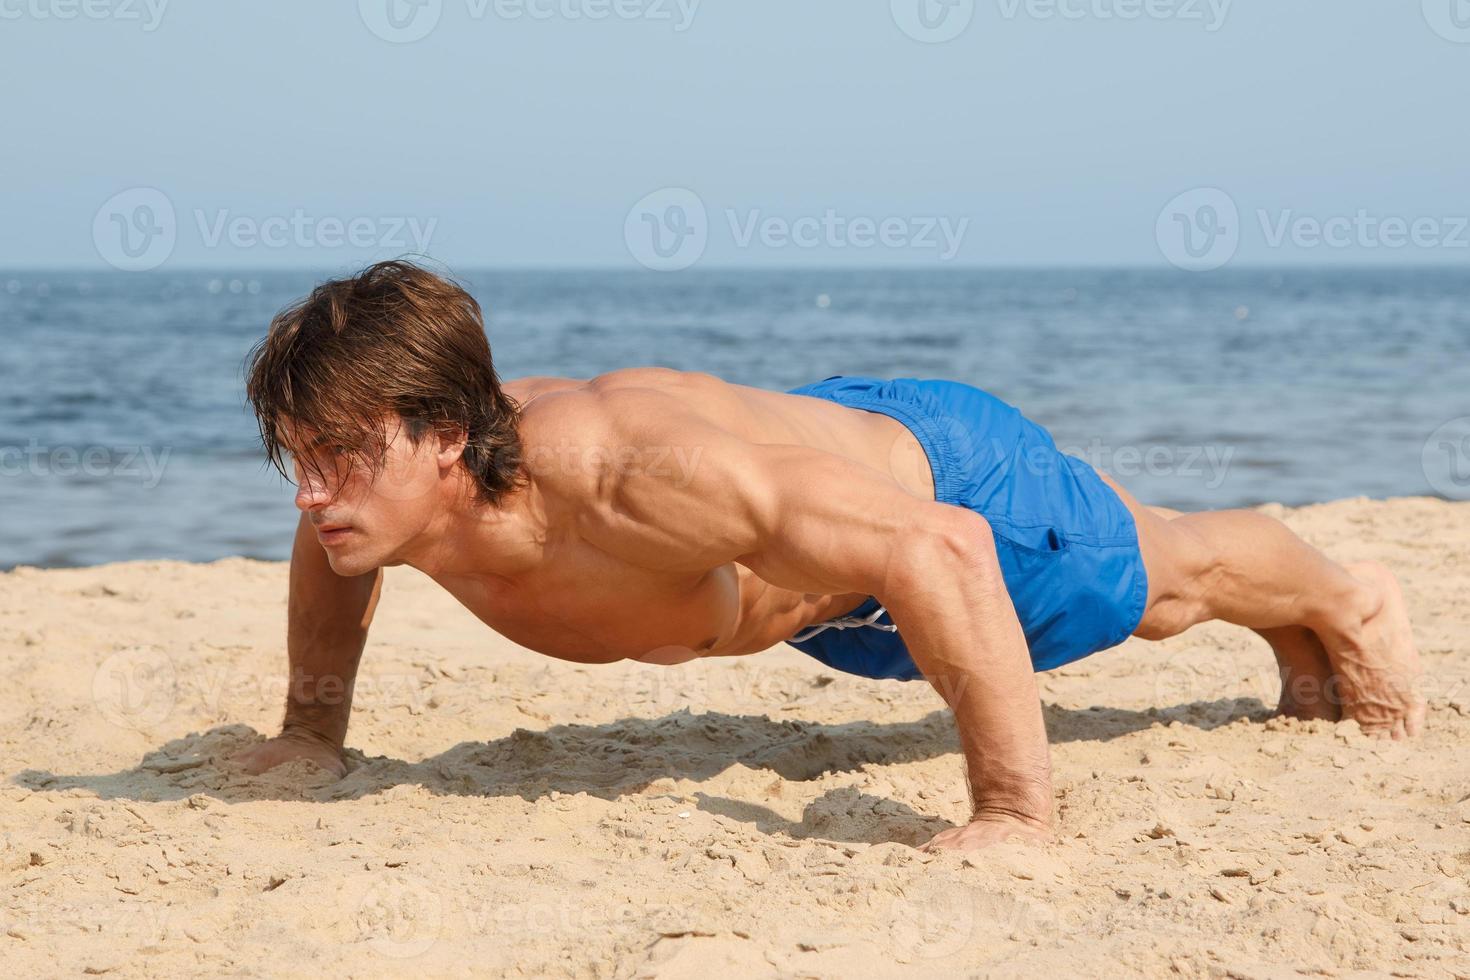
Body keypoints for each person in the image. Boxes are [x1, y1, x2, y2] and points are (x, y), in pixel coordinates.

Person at [230, 260, 1425, 852]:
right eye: (298, 454)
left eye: (335, 454)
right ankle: (1295, 628)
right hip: (830, 596)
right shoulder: (376, 506)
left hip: (947, 482)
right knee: (1149, 589)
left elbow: (941, 543)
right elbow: (325, 560)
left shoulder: (622, 479)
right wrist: (311, 732)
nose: (312, 490)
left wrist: (1011, 813)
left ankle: (1345, 597)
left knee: (1160, 586)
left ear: (446, 432)